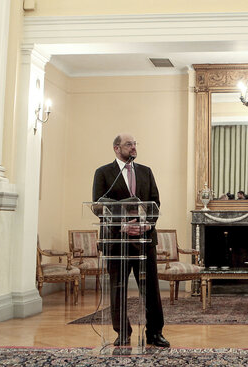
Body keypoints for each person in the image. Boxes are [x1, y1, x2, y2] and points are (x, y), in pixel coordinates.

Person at [92, 133, 169, 348]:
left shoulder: (146, 171)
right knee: (118, 289)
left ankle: (155, 333)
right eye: (129, 144)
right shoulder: (104, 173)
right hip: (117, 241)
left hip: (144, 239)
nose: (133, 147)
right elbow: (98, 206)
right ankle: (122, 333)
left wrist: (147, 224)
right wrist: (121, 225)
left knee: (151, 289)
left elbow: (155, 202)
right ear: (117, 148)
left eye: (135, 144)